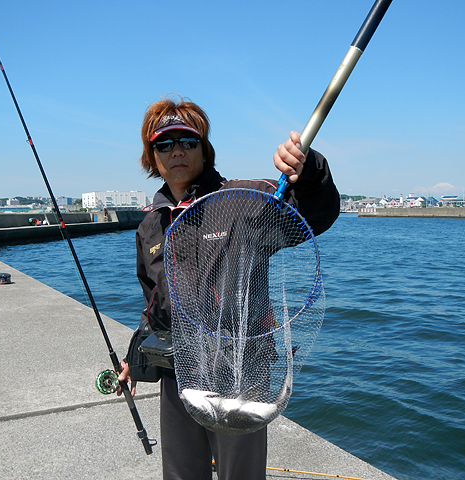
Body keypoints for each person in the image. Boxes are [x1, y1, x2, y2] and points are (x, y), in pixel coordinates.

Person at [117, 96, 340, 480]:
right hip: (177, 370)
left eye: (188, 141)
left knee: (241, 475)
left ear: (205, 149)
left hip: (239, 370)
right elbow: (154, 303)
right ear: (151, 157)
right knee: (181, 473)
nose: (177, 151)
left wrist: (310, 169)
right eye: (164, 144)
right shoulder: (150, 225)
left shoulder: (244, 199)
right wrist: (133, 356)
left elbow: (316, 213)